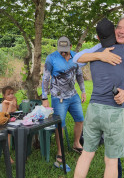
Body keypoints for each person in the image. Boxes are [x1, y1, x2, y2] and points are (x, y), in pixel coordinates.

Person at [74, 18, 124, 178]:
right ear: (113, 30)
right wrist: (100, 56)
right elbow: (77, 59)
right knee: (113, 156)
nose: (121, 31)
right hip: (111, 108)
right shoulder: (101, 48)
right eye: (119, 27)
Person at [41, 36, 86, 171]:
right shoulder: (51, 58)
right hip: (58, 97)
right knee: (60, 125)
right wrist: (44, 97)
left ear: (70, 47)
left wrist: (83, 91)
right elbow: (45, 78)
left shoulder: (76, 57)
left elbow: (79, 75)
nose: (63, 52)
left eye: (65, 50)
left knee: (80, 120)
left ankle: (76, 143)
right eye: (61, 50)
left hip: (73, 95)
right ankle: (60, 152)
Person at [1, 85, 19, 164]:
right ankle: (7, 156)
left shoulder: (13, 99)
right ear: (4, 96)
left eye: (12, 93)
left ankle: (22, 152)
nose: (11, 95)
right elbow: (5, 115)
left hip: (14, 120)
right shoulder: (5, 103)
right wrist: (10, 105)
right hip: (5, 121)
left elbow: (17, 109)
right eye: (8, 94)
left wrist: (15, 103)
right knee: (8, 134)